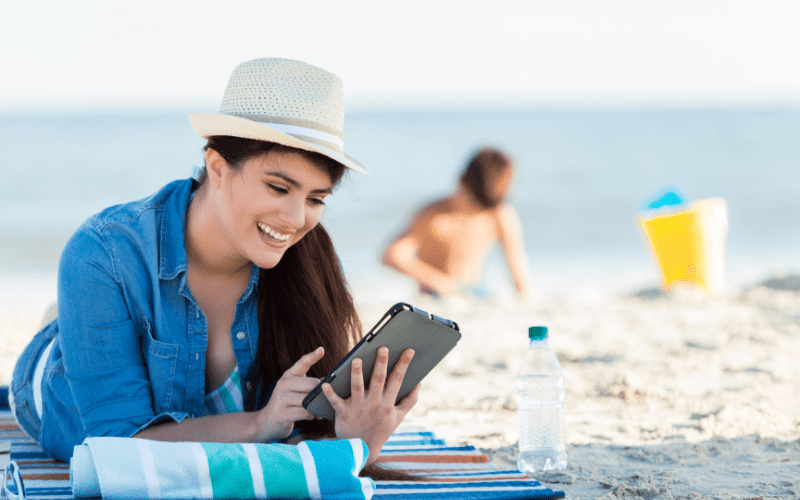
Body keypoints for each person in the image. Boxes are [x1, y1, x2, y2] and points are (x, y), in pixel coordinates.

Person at [9, 58, 418, 476]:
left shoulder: (308, 261)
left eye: (316, 199)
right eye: (279, 187)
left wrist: (357, 440)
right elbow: (119, 449)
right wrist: (259, 424)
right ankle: (60, 326)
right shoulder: (104, 252)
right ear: (217, 167)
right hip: (56, 391)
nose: (297, 219)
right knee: (71, 346)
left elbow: (309, 438)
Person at [382, 148, 532, 298]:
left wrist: (525, 295)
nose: (477, 212)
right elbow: (392, 255)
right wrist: (441, 283)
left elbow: (519, 275)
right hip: (435, 292)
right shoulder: (434, 215)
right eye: (474, 204)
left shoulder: (498, 215)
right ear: (461, 181)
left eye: (483, 208)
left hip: (475, 291)